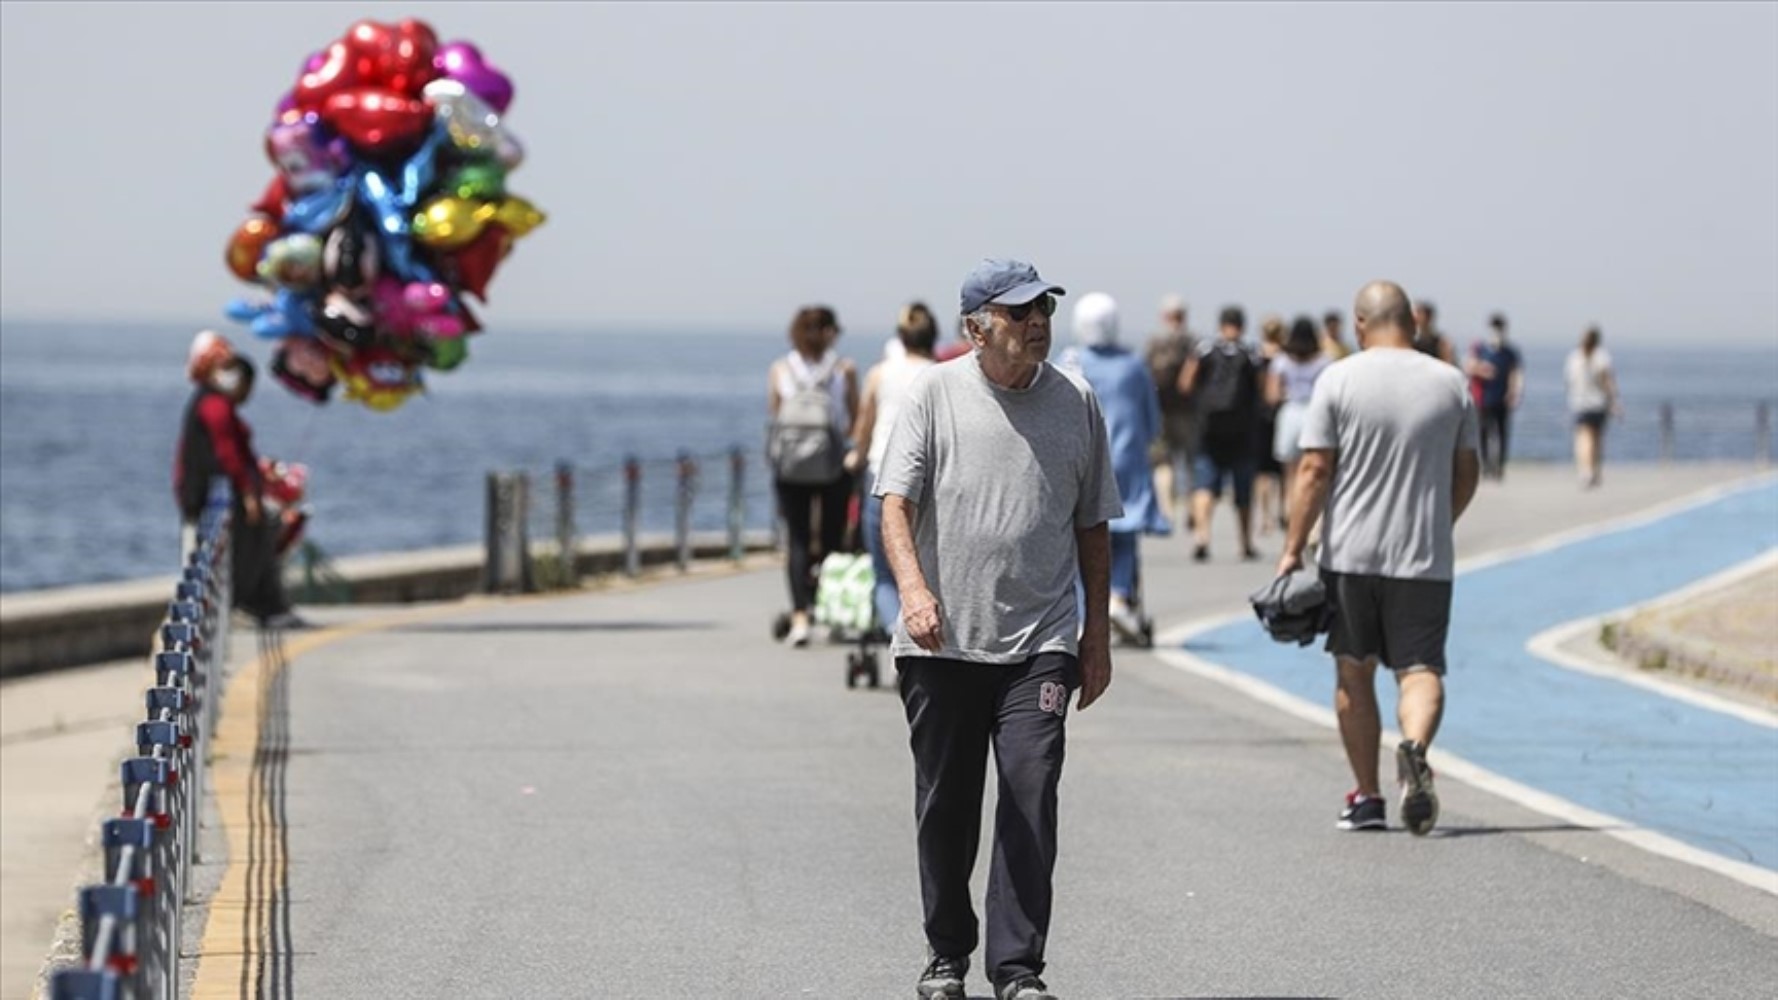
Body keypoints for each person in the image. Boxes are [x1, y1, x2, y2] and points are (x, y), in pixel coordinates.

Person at [875, 258, 1118, 1000]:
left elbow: (1094, 526)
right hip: (942, 641)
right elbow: (893, 505)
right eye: (1018, 313)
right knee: (947, 803)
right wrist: (914, 592)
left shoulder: (1075, 401)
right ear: (976, 328)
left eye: (1042, 306)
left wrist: (1096, 636)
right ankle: (946, 954)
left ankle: (1017, 969)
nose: (1036, 321)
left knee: (1029, 788)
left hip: (1039, 644)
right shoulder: (932, 394)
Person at [1277, 281, 1480, 836]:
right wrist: (1441, 523)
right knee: (1421, 669)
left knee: (1354, 669)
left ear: (1359, 324)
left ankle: (1366, 796)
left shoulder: (1338, 378)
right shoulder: (1451, 382)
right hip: (1424, 556)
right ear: (1413, 322)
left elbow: (1315, 469)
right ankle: (1414, 747)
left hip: (1351, 554)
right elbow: (1468, 472)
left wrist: (1294, 548)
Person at [172, 333, 301, 627]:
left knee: (263, 536)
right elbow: (228, 454)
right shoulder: (214, 406)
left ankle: (265, 603)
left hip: (222, 492)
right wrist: (247, 493)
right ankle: (250, 603)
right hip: (213, 495)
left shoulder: (214, 403)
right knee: (248, 546)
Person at [1064, 292, 1170, 644]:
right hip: (1127, 460)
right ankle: (1121, 596)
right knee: (1124, 535)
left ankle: (1081, 613)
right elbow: (1152, 422)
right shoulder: (1133, 366)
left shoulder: (1069, 362)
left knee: (1081, 537)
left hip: (1080, 463)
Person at [766, 305, 859, 647]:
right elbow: (853, 417)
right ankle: (826, 610)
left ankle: (799, 616)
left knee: (798, 540)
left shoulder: (780, 369)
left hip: (791, 468)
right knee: (833, 539)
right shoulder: (843, 369)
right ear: (829, 332)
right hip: (833, 465)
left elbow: (776, 415)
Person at [846, 301, 938, 635]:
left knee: (885, 573)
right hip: (930, 481)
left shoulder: (880, 374)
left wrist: (854, 456)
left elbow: (863, 429)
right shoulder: (940, 375)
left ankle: (897, 636)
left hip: (882, 477)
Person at [1180, 305, 1264, 562]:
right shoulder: (1250, 352)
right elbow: (1263, 390)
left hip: (1208, 429)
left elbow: (1185, 383)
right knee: (1243, 489)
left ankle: (1202, 537)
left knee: (1204, 484)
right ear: (1242, 325)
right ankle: (1245, 543)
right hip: (1242, 430)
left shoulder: (1205, 349)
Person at [1142, 294, 1198, 526]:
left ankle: (1167, 509)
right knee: (1189, 459)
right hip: (1188, 410)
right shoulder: (1192, 341)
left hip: (1160, 409)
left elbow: (1144, 376)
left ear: (1164, 316)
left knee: (1163, 462)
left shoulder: (1155, 341)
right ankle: (1191, 506)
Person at [1267, 315, 1333, 513]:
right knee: (1315, 468)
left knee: (1290, 471)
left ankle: (1290, 510)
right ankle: (1313, 514)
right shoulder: (1324, 361)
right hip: (1315, 413)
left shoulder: (1281, 361)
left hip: (1290, 411)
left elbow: (1272, 395)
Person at [1464, 312, 1525, 480]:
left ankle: (1499, 466)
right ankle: (1485, 465)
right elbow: (1468, 366)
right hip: (1483, 398)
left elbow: (1515, 372)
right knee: (1483, 432)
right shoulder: (1480, 348)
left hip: (1502, 398)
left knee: (1502, 433)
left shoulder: (1510, 351)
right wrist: (1482, 369)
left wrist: (1514, 392)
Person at [1564, 325, 1621, 489]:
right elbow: (1608, 381)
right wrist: (1615, 401)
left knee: (1583, 438)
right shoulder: (1602, 357)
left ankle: (1585, 470)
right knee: (1595, 439)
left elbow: (1569, 381)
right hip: (1598, 404)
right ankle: (1593, 470)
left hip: (1580, 403)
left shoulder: (1574, 358)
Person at [1253, 315, 1287, 535]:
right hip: (1282, 414)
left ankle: (1265, 517)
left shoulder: (1256, 356)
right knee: (1284, 469)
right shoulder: (1286, 357)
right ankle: (1283, 511)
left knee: (1262, 472)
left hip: (1259, 415)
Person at [1412, 299, 1458, 366]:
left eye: (1419, 313)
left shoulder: (1442, 342)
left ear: (1428, 317)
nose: (1416, 317)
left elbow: (1448, 364)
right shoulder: (1413, 341)